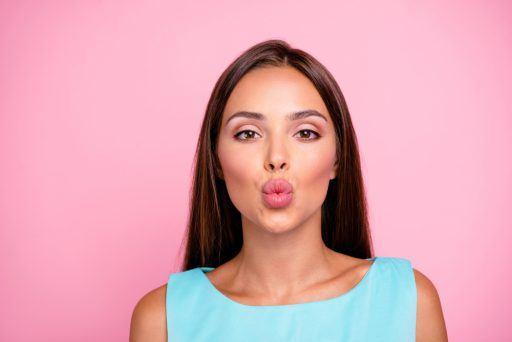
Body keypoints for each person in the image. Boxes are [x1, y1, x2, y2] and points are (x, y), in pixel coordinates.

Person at [129, 39, 448, 341]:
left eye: (306, 133)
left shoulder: (409, 301)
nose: (277, 158)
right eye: (248, 134)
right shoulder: (161, 320)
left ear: (338, 158)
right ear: (216, 161)